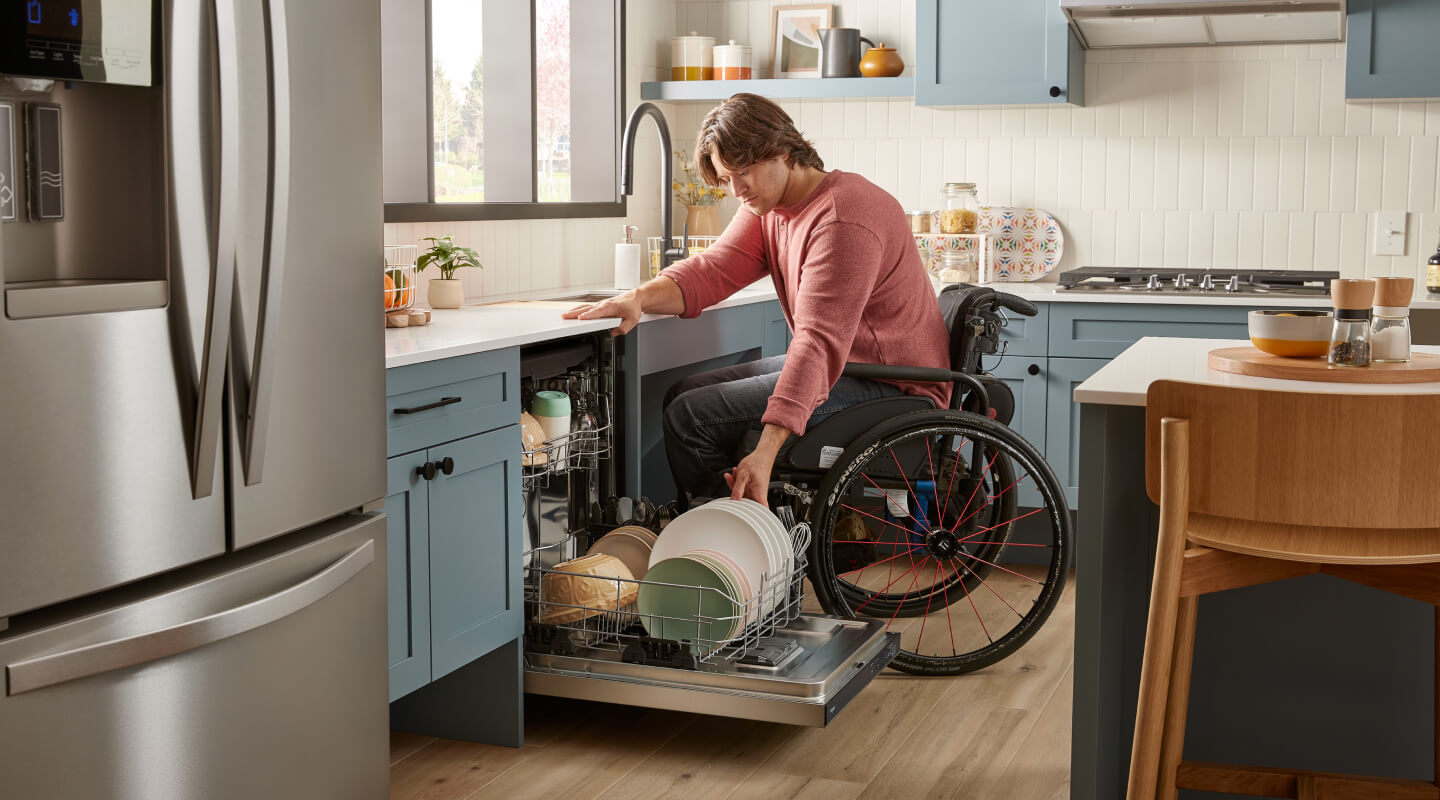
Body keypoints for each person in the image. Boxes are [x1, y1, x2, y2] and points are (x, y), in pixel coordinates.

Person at [564, 93, 950, 508]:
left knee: (690, 417)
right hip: (851, 368)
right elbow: (716, 269)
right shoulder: (771, 206)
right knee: (681, 395)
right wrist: (637, 298)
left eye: (742, 172)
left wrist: (764, 454)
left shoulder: (842, 218)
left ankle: (735, 543)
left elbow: (817, 344)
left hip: (891, 384)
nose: (735, 190)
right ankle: (741, 532)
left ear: (782, 151)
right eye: (726, 178)